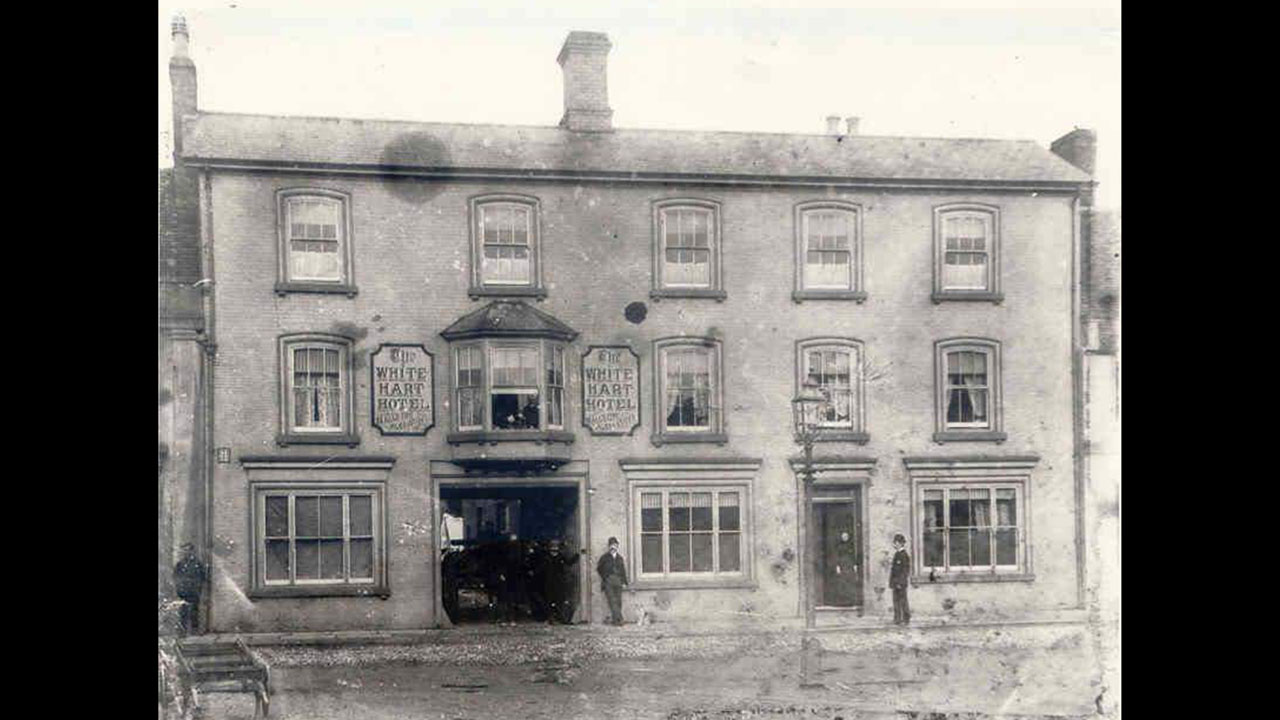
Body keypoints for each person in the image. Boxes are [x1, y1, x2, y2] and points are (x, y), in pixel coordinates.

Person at [544, 539, 580, 624]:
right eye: (553, 547)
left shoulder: (560, 556)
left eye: (556, 547)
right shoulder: (546, 557)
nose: (554, 549)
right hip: (549, 582)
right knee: (549, 600)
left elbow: (569, 562)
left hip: (559, 582)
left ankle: (560, 617)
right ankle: (551, 617)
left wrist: (577, 556)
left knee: (559, 600)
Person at [173, 543, 206, 636]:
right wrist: (179, 588)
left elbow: (203, 577)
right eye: (184, 550)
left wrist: (198, 587)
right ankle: (182, 631)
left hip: (194, 591)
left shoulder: (197, 564)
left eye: (188, 550)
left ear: (192, 551)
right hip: (183, 591)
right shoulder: (180, 564)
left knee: (194, 611)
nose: (186, 552)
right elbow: (176, 577)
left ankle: (195, 630)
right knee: (183, 612)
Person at [596, 537, 629, 625]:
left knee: (618, 601)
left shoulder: (619, 558)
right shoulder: (604, 557)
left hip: (618, 580)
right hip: (608, 581)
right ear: (609, 546)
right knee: (612, 600)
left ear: (617, 546)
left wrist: (624, 582)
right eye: (611, 545)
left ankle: (616, 620)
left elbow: (623, 571)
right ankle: (619, 619)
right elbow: (599, 569)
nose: (613, 547)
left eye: (615, 545)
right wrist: (605, 577)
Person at [889, 533, 911, 626]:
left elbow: (905, 571)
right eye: (894, 542)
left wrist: (900, 582)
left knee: (902, 600)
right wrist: (892, 582)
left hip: (900, 583)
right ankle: (897, 618)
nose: (894, 544)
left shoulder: (904, 555)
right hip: (896, 582)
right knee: (896, 600)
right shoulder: (897, 554)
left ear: (901, 544)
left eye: (896, 542)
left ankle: (906, 618)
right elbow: (894, 570)